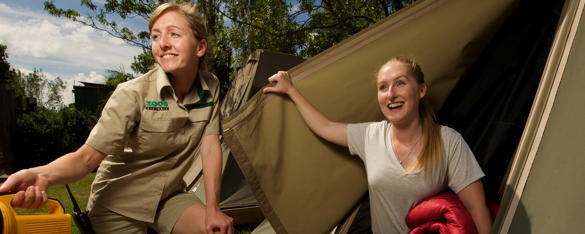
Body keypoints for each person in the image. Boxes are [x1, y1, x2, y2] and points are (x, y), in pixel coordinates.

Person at [0, 2, 234, 234]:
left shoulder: (210, 85)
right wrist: (40, 174)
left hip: (168, 197)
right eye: (155, 36)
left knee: (214, 229)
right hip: (119, 204)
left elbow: (210, 145)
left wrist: (213, 208)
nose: (162, 43)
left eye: (174, 34)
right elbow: (86, 159)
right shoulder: (132, 93)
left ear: (200, 47)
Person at [262, 57, 492, 233]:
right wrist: (291, 90)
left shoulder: (448, 141)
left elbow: (476, 208)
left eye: (400, 83)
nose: (390, 94)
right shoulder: (371, 136)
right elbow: (325, 127)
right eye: (383, 87)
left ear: (421, 90)